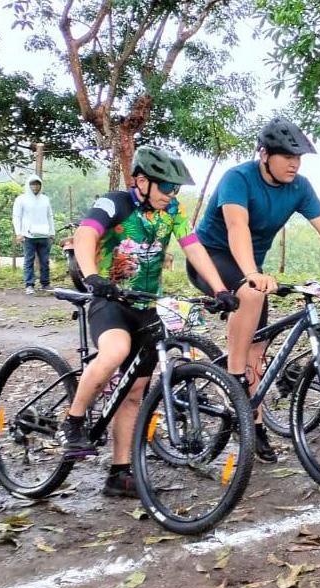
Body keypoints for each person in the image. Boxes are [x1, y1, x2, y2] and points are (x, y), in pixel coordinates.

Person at [188, 117, 320, 463]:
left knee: (257, 354)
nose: (294, 164)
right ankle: (233, 380)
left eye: (298, 157)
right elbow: (237, 227)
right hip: (213, 259)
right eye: (287, 156)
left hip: (251, 269)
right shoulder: (237, 178)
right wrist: (251, 274)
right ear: (264, 155)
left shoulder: (299, 186)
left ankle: (253, 424)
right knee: (250, 301)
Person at [59, 145, 238, 498]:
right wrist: (92, 275)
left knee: (135, 391)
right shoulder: (115, 203)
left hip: (145, 303)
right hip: (110, 299)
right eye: (166, 186)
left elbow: (193, 247)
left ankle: (119, 472)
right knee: (115, 352)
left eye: (175, 188)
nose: (172, 193)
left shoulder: (172, 210)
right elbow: (85, 234)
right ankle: (73, 422)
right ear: (141, 181)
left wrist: (220, 288)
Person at [13, 174, 55, 295]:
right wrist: (18, 233)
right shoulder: (21, 199)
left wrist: (52, 232)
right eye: (33, 184)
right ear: (28, 185)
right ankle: (29, 285)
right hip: (28, 235)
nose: (35, 187)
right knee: (29, 260)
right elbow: (16, 217)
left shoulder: (45, 199)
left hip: (44, 235)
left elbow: (49, 216)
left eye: (37, 184)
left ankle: (45, 284)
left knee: (45, 261)